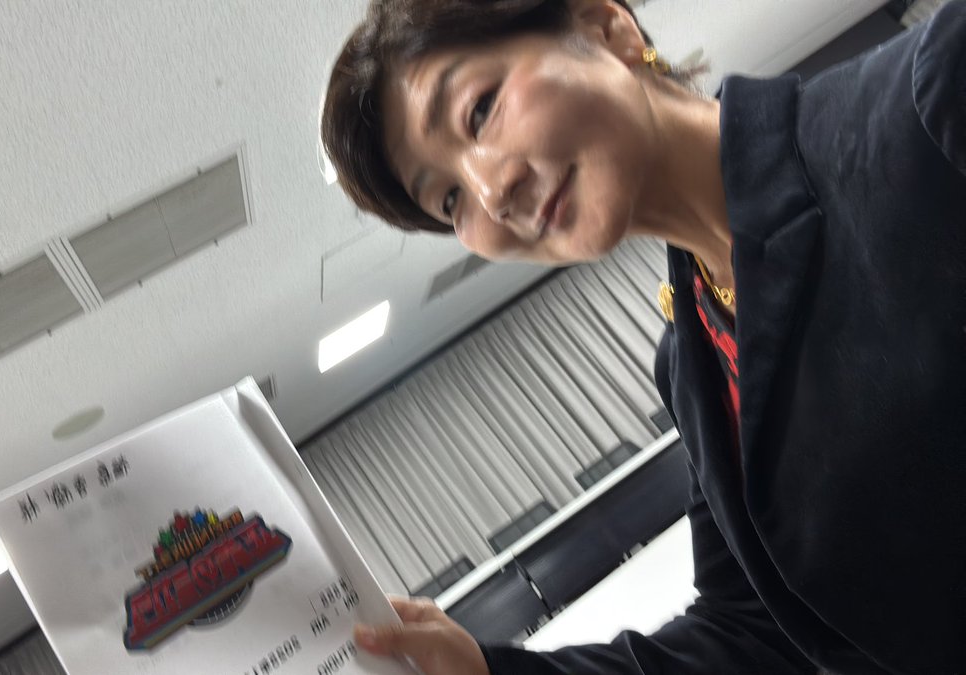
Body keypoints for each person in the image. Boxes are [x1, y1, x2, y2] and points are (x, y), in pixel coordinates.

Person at [320, 0, 966, 673]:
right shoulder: (690, 361)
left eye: (479, 111)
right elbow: (752, 629)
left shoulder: (936, 93)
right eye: (449, 199)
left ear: (608, 29)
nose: (491, 191)